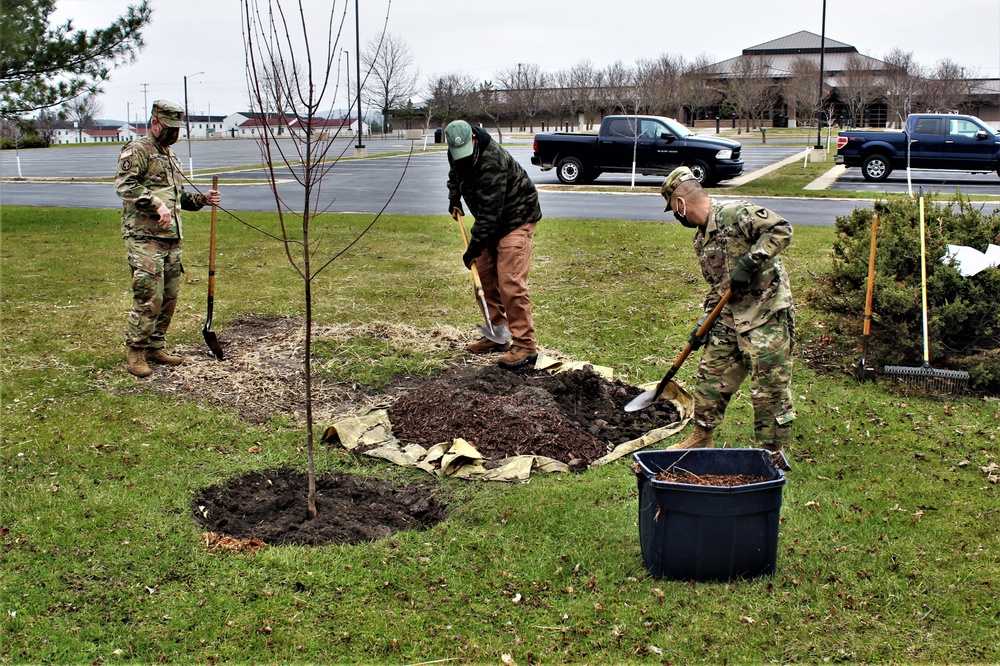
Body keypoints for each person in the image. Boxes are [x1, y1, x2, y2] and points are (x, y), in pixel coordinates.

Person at [659, 166, 795, 450]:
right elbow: (718, 288)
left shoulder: (736, 214)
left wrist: (751, 261)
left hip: (764, 314)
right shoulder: (701, 239)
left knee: (769, 389)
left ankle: (772, 452)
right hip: (729, 317)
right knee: (710, 376)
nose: (675, 216)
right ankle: (701, 437)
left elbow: (782, 229)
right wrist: (703, 323)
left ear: (681, 204)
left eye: (673, 209)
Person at [114, 100, 221, 378]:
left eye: (177, 129)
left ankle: (155, 346)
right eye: (169, 128)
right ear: (155, 123)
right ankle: (136, 350)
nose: (174, 134)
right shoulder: (137, 150)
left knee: (169, 296)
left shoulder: (171, 156)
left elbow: (177, 197)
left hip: (172, 237)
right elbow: (126, 186)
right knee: (149, 294)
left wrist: (202, 199)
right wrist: (156, 205)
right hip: (144, 236)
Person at [445, 119, 542, 368]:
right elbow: (455, 175)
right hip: (491, 220)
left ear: (474, 139)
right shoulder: (456, 152)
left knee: (509, 281)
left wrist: (473, 248)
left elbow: (490, 213)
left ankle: (525, 345)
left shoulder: (492, 160)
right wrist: (454, 197)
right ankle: (497, 334)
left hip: (516, 218)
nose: (461, 157)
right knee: (485, 276)